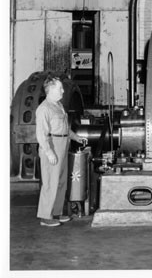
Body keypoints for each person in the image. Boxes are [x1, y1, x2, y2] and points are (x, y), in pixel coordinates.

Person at [36, 76, 87, 227]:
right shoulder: (44, 109)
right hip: (52, 145)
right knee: (50, 182)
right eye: (60, 88)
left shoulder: (58, 105)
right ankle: (45, 217)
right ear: (50, 90)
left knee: (61, 182)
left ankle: (56, 212)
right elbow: (41, 134)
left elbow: (64, 128)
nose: (63, 91)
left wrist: (76, 137)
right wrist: (49, 152)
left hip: (63, 143)